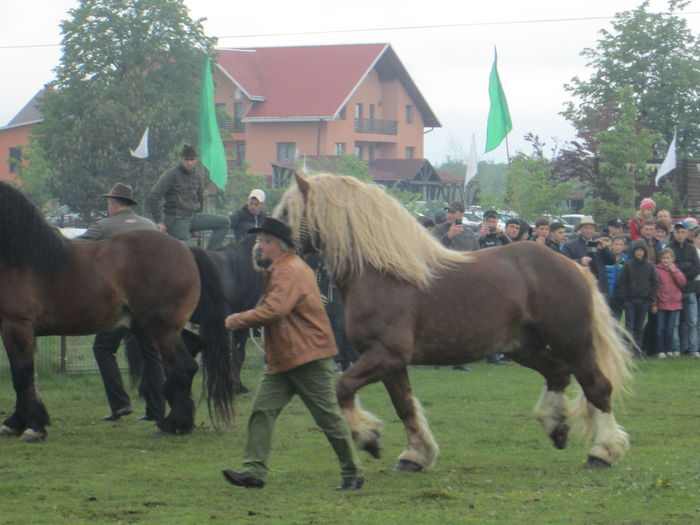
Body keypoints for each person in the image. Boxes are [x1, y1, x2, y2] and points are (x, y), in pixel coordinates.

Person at [221, 217, 363, 491]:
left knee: (328, 418)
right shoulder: (283, 268)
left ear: (276, 244)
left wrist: (234, 320)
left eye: (262, 241)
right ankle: (253, 471)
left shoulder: (288, 271)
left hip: (307, 356)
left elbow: (275, 310)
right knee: (262, 410)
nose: (257, 246)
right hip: (286, 357)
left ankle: (352, 472)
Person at [76, 183, 166, 421]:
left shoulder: (105, 226)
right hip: (149, 299)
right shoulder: (150, 226)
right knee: (152, 353)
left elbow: (75, 246)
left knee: (103, 349)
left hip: (121, 302)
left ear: (113, 204)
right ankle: (156, 411)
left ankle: (120, 404)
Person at [147, 144, 230, 250]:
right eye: (186, 159)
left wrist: (196, 227)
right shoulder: (171, 174)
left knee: (224, 222)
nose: (189, 163)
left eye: (192, 159)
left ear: (196, 159)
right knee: (184, 250)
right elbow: (153, 196)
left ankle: (211, 255)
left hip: (192, 217)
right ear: (181, 159)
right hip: (177, 218)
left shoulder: (196, 176)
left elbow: (200, 199)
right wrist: (158, 220)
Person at [618, 239, 659, 353]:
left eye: (641, 250)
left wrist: (650, 298)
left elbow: (655, 282)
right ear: (633, 251)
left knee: (639, 328)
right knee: (629, 327)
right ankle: (625, 351)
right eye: (637, 250)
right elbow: (622, 282)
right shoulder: (628, 265)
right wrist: (624, 298)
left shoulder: (649, 266)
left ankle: (637, 352)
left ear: (645, 251)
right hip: (630, 301)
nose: (639, 252)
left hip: (644, 301)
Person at [668, 221, 700, 356]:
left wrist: (681, 271)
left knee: (692, 321)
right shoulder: (669, 248)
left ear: (687, 233)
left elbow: (697, 267)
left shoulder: (691, 248)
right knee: (676, 322)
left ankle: (693, 349)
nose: (680, 235)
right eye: (678, 232)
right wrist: (685, 266)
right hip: (675, 290)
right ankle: (677, 348)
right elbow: (669, 267)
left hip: (690, 289)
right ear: (674, 233)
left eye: (683, 232)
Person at [561, 216, 615, 295]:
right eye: (586, 228)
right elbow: (564, 265)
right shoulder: (570, 246)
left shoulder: (597, 244)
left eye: (591, 228)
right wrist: (579, 261)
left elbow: (611, 261)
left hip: (599, 288)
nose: (588, 231)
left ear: (594, 230)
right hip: (579, 288)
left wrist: (604, 249)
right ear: (580, 229)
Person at [652, 248, 686, 358]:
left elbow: (682, 282)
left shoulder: (676, 269)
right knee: (661, 328)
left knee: (671, 328)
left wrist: (674, 271)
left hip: (675, 304)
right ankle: (661, 349)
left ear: (673, 259)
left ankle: (669, 349)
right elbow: (655, 288)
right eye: (663, 258)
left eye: (668, 258)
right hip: (662, 303)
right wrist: (654, 304)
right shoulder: (657, 270)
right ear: (660, 259)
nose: (666, 260)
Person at [606, 235, 628, 320]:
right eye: (616, 244)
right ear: (611, 245)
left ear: (624, 247)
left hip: (619, 297)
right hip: (607, 294)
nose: (618, 247)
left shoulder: (626, 261)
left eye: (620, 245)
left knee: (616, 322)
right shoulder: (605, 258)